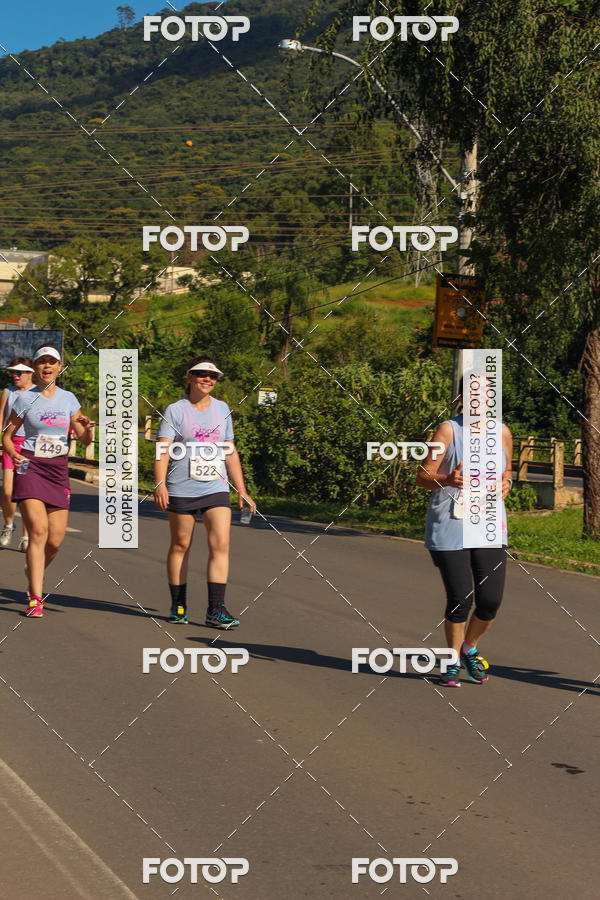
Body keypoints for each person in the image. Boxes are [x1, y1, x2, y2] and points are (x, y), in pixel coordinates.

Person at [416, 384, 513, 687]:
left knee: (490, 600)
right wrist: (447, 478)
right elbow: (422, 475)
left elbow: (507, 472)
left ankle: (468, 647)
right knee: (460, 598)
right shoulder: (448, 430)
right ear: (462, 399)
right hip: (451, 525)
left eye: (486, 395)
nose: (480, 401)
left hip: (488, 525)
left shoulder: (503, 433)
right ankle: (452, 659)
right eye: (473, 395)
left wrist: (508, 483)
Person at [153, 356, 256, 628]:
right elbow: (163, 450)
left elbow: (230, 451)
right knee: (180, 545)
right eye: (201, 374)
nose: (208, 379)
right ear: (190, 377)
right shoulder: (176, 410)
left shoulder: (223, 409)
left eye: (213, 376)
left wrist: (242, 490)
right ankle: (178, 605)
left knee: (220, 543)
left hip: (216, 486)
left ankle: (216, 609)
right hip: (181, 487)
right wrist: (160, 483)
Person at [2, 345, 95, 618]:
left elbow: (84, 438)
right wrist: (13, 454)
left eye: (51, 362)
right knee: (39, 531)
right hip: (30, 466)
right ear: (36, 368)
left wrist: (87, 429)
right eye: (42, 361)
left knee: (55, 541)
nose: (47, 366)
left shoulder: (68, 399)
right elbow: (7, 436)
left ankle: (34, 570)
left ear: (59, 367)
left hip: (57, 470)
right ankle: (35, 598)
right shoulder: (24, 399)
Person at [0, 358, 35, 551]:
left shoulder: (39, 394)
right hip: (10, 442)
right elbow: (1, 419)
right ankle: (8, 525)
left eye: (20, 372)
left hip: (28, 446)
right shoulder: (8, 392)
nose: (16, 375)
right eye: (13, 372)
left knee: (24, 493)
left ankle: (26, 535)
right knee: (7, 489)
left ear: (30, 373)